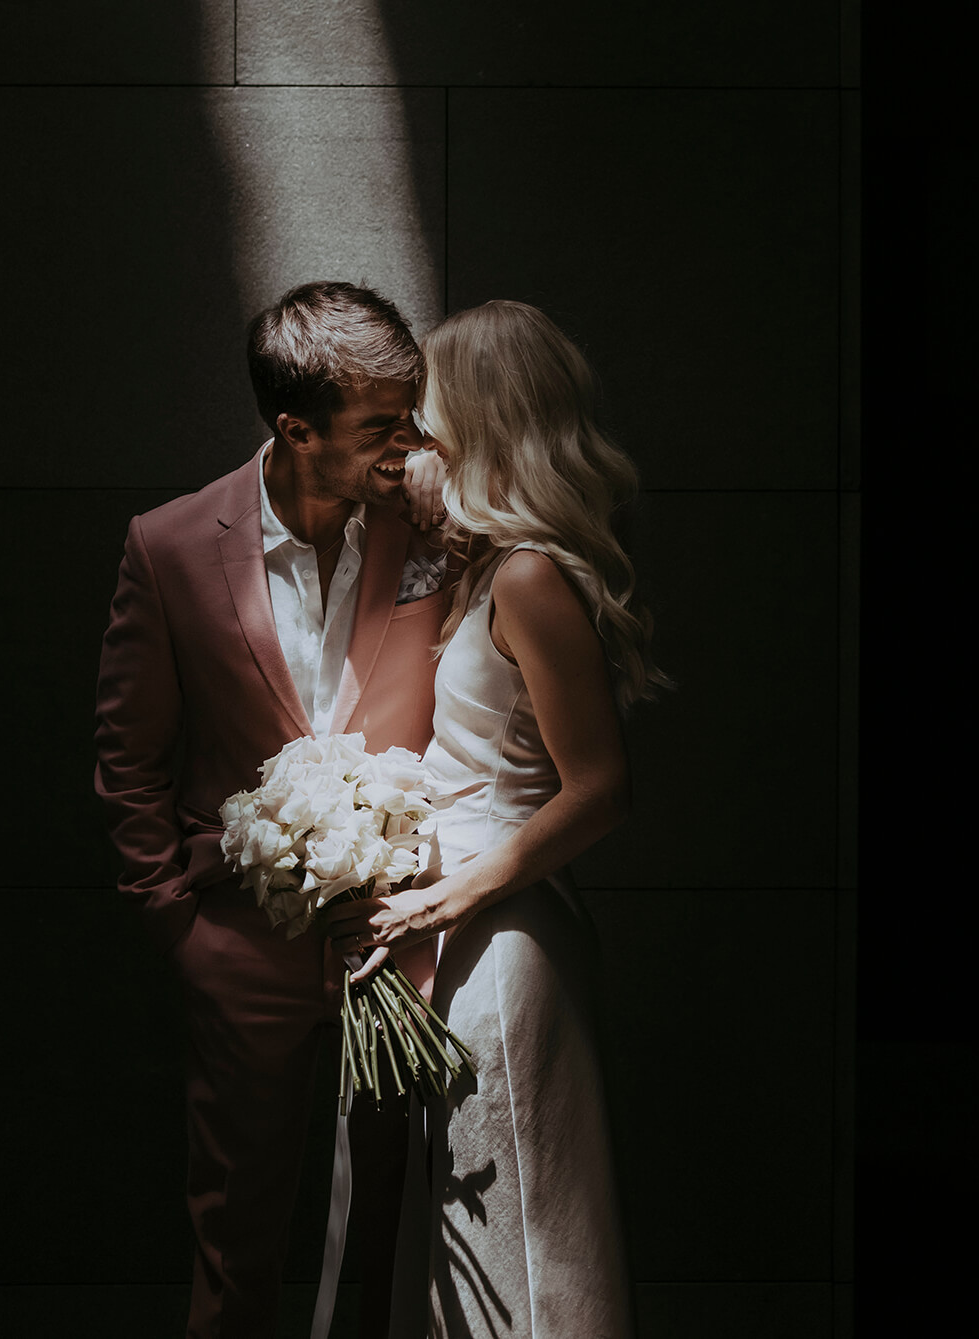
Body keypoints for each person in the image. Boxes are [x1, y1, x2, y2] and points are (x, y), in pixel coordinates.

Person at [94, 281, 451, 1339]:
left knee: (399, 1222)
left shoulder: (429, 521)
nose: (410, 439)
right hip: (239, 944)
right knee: (235, 1227)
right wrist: (179, 927)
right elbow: (128, 756)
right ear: (296, 429)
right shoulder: (165, 546)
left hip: (401, 938)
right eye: (383, 423)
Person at [326, 299, 668, 1339]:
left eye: (427, 423)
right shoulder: (487, 564)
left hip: (503, 938)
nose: (412, 446)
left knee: (522, 1230)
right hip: (466, 926)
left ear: (480, 425)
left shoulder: (527, 576)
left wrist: (447, 893)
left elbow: (598, 786)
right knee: (471, 1237)